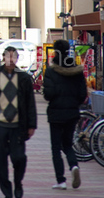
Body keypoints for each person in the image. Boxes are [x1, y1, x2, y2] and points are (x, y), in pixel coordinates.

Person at [0, 46, 37, 198]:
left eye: (13, 57)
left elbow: (30, 103)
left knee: (19, 158)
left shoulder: (23, 78)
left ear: (17, 59)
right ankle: (7, 192)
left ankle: (18, 183)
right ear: (3, 58)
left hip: (18, 125)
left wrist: (32, 125)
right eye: (8, 57)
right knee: (1, 162)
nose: (10, 60)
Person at [43, 39, 87, 190]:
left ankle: (61, 180)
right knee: (67, 144)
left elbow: (48, 94)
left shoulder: (50, 71)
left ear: (54, 52)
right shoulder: (78, 71)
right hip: (72, 113)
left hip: (55, 113)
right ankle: (74, 166)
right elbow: (83, 94)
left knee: (56, 147)